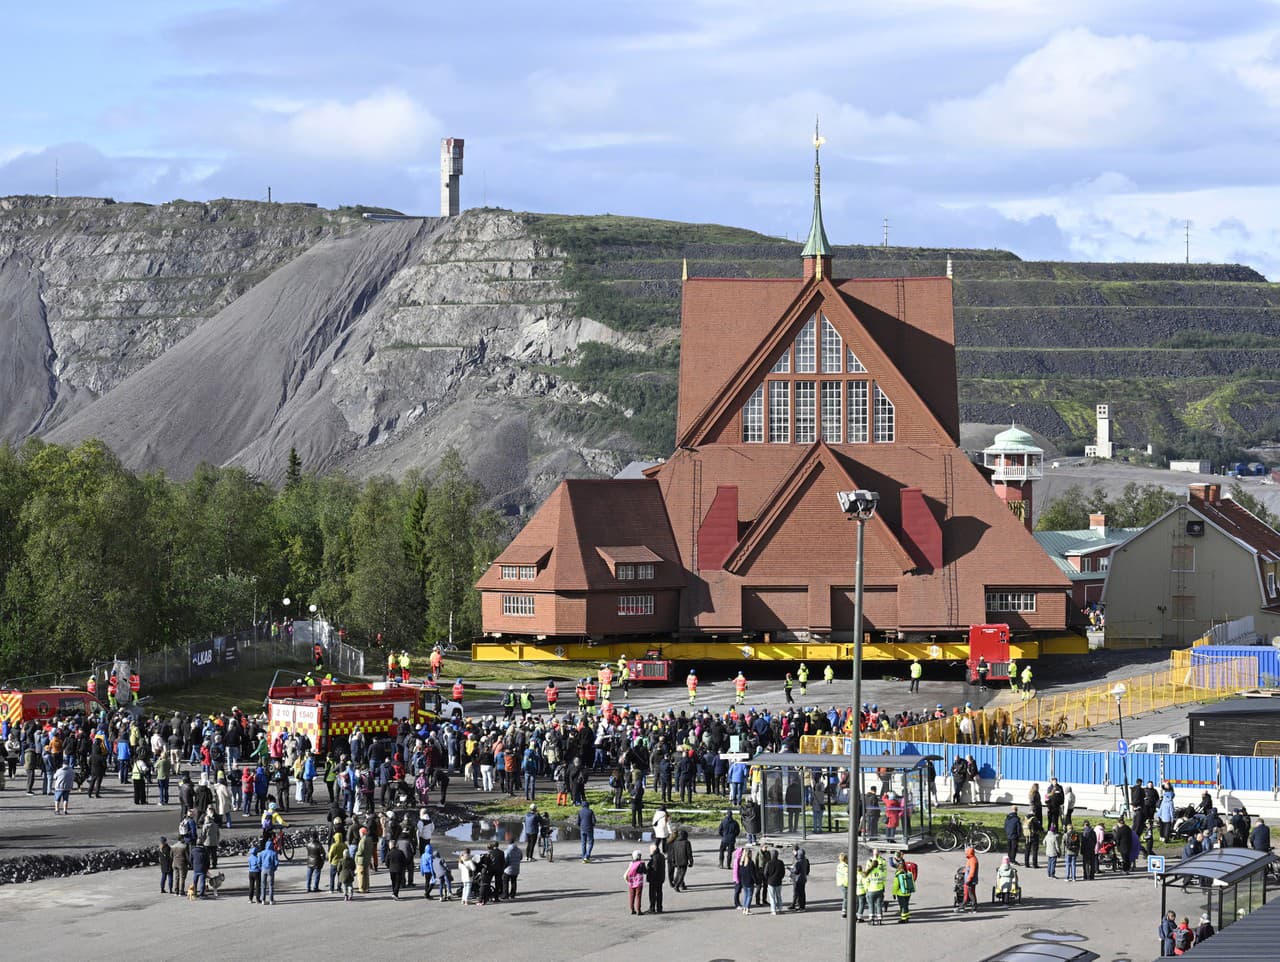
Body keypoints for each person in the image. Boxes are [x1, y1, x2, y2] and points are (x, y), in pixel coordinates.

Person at [890, 855, 916, 922]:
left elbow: (896, 885)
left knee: (902, 906)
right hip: (908, 892)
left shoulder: (898, 874)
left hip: (901, 893)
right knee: (906, 905)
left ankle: (903, 919)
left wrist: (894, 893)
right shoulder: (907, 872)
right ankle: (907, 917)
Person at [864, 850, 886, 924]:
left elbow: (866, 881)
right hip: (879, 889)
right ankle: (879, 919)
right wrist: (883, 887)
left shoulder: (869, 872)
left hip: (871, 890)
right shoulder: (880, 872)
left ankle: (872, 919)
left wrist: (866, 889)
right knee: (879, 905)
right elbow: (883, 879)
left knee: (871, 905)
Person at [625, 849, 647, 915]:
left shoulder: (631, 863)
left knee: (632, 896)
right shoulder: (641, 863)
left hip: (631, 882)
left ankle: (632, 909)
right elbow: (645, 871)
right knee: (638, 896)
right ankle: (638, 910)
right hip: (639, 883)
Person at [647, 842, 666, 914]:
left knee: (652, 894)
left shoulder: (654, 857)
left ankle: (652, 908)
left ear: (653, 850)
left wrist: (647, 869)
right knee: (659, 893)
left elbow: (654, 868)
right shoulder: (661, 856)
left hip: (654, 879)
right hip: (661, 878)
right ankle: (659, 908)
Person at [789, 845, 809, 911]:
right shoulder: (805, 860)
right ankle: (801, 906)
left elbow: (796, 871)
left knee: (799, 893)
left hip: (798, 879)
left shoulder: (798, 862)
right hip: (803, 878)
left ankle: (801, 907)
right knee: (802, 893)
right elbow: (807, 869)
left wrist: (790, 869)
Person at [960, 846, 979, 912]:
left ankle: (974, 907)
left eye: (966, 852)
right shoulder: (971, 859)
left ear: (969, 852)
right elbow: (968, 869)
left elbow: (972, 871)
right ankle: (963, 905)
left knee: (971, 894)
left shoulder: (972, 860)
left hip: (970, 880)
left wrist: (969, 879)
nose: (965, 853)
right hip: (970, 880)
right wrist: (964, 871)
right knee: (968, 893)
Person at [737, 848, 757, 916]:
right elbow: (753, 874)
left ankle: (744, 908)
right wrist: (756, 881)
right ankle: (747, 909)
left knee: (746, 895)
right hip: (749, 882)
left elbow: (740, 872)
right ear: (749, 854)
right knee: (750, 896)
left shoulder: (742, 862)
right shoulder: (751, 863)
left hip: (744, 881)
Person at [836, 851, 850, 918]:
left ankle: (845, 911)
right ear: (846, 859)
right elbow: (847, 877)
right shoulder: (846, 867)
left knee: (846, 898)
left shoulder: (839, 865)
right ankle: (844, 911)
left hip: (840, 883)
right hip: (845, 884)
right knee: (846, 898)